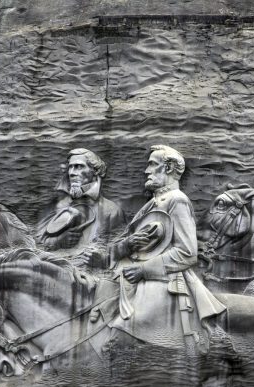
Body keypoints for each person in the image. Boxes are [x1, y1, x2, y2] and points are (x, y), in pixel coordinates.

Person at [84, 145, 226, 352]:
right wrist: (115, 252)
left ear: (168, 168)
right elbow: (132, 243)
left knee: (121, 336)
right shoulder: (153, 202)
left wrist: (143, 270)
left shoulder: (177, 200)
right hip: (131, 275)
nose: (146, 171)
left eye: (152, 164)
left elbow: (187, 252)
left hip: (163, 279)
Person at [36, 148, 125, 251]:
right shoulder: (59, 206)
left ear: (95, 171)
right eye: (70, 167)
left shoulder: (111, 211)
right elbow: (37, 245)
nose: (71, 173)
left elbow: (121, 247)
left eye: (78, 166)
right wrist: (59, 240)